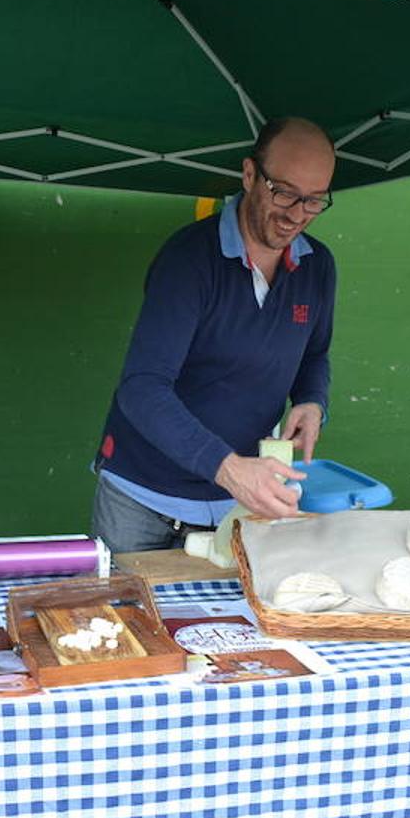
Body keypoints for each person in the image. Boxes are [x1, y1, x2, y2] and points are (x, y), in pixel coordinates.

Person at [91, 117, 337, 553]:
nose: (297, 215)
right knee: (130, 620)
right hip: (144, 497)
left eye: (314, 200)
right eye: (284, 193)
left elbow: (314, 353)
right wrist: (229, 468)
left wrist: (312, 401)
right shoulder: (188, 260)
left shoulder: (317, 266)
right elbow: (142, 388)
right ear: (248, 175)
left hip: (237, 501)